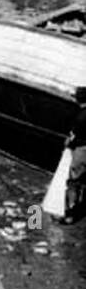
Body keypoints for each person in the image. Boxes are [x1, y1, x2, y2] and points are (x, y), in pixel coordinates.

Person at [62, 86, 86, 223]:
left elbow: (74, 136)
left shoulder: (81, 116)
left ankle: (70, 214)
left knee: (73, 182)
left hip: (82, 150)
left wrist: (68, 143)